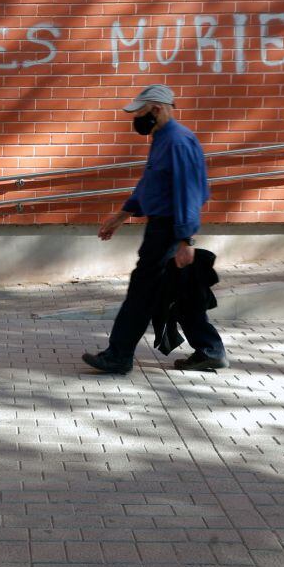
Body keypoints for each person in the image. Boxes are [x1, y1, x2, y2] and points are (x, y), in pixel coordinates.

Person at [82, 84, 228, 375]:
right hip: (164, 228)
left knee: (141, 293)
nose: (136, 118)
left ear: (157, 109)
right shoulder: (162, 137)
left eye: (140, 111)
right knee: (182, 292)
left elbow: (187, 192)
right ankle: (210, 351)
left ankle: (119, 355)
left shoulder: (178, 141)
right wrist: (121, 216)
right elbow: (150, 185)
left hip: (169, 230)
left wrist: (185, 239)